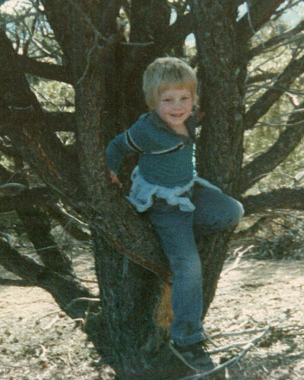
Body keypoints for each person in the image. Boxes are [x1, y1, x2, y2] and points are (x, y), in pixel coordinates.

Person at [105, 57, 244, 372]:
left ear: (194, 99)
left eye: (184, 98)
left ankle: (176, 239)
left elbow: (194, 107)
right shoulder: (147, 129)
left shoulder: (189, 116)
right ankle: (186, 339)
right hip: (163, 202)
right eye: (168, 100)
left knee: (231, 211)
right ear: (153, 101)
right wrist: (111, 169)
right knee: (188, 266)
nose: (177, 106)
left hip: (188, 191)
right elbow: (116, 146)